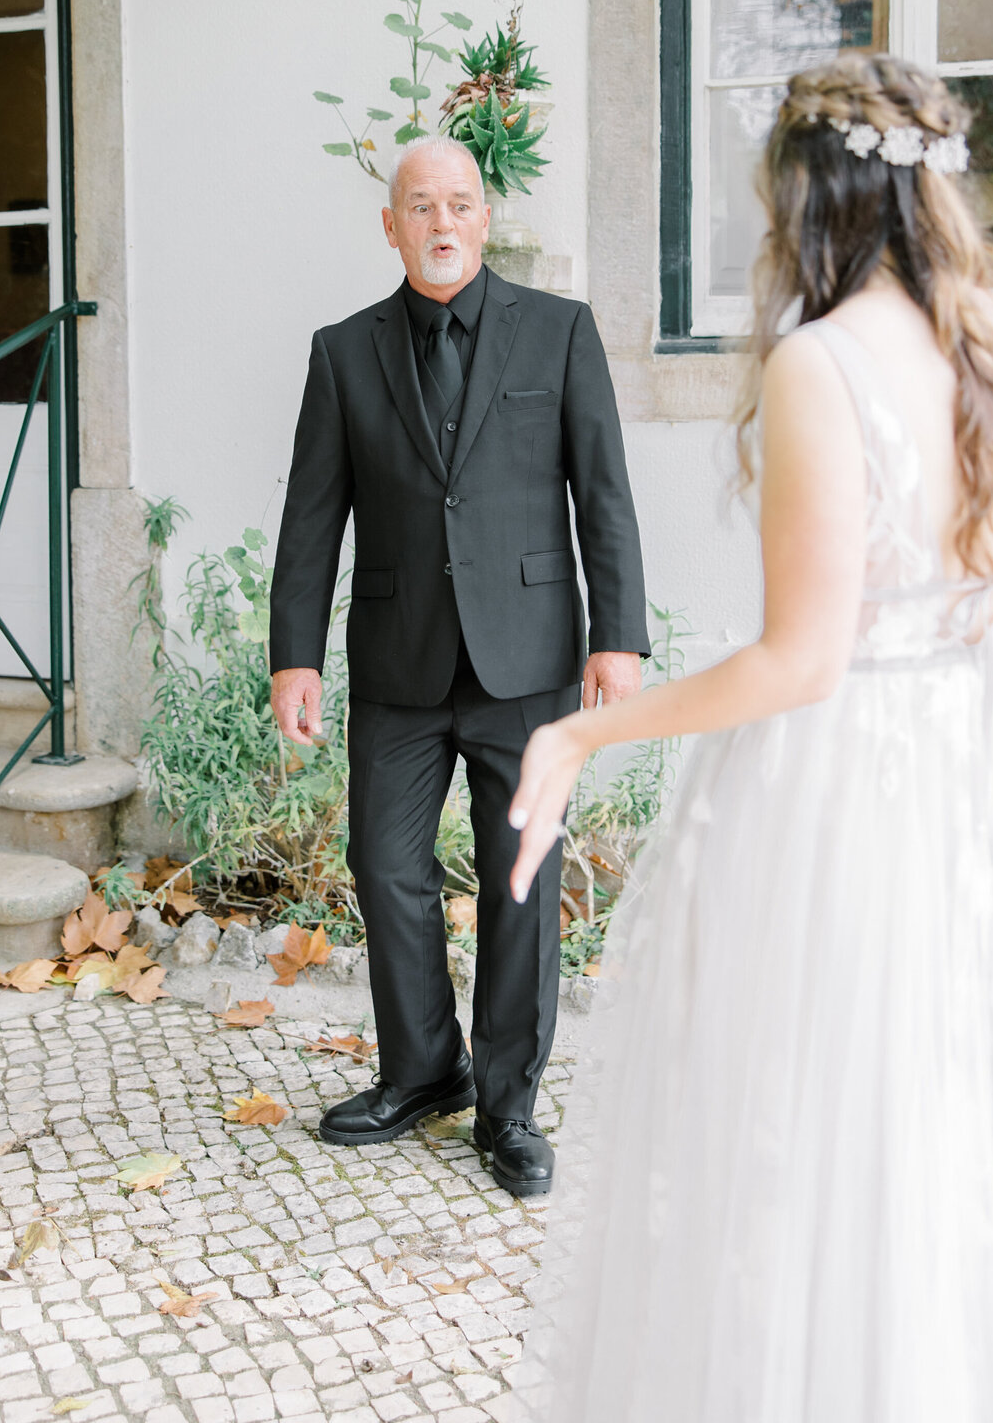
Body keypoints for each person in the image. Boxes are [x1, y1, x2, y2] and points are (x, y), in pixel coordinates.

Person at [506, 53, 993, 1420]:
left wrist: (586, 739)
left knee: (827, 1140)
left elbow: (803, 662)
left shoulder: (823, 364)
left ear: (812, 203)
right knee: (975, 1129)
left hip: (852, 804)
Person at [269, 135, 648, 1198]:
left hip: (527, 661)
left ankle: (510, 1106)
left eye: (460, 204)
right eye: (419, 206)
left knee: (518, 879)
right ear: (390, 226)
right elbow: (310, 519)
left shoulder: (561, 334)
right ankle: (424, 1071)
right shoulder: (345, 352)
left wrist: (616, 636)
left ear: (486, 218)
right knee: (385, 867)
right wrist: (291, 658)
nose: (441, 222)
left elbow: (603, 495)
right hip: (398, 661)